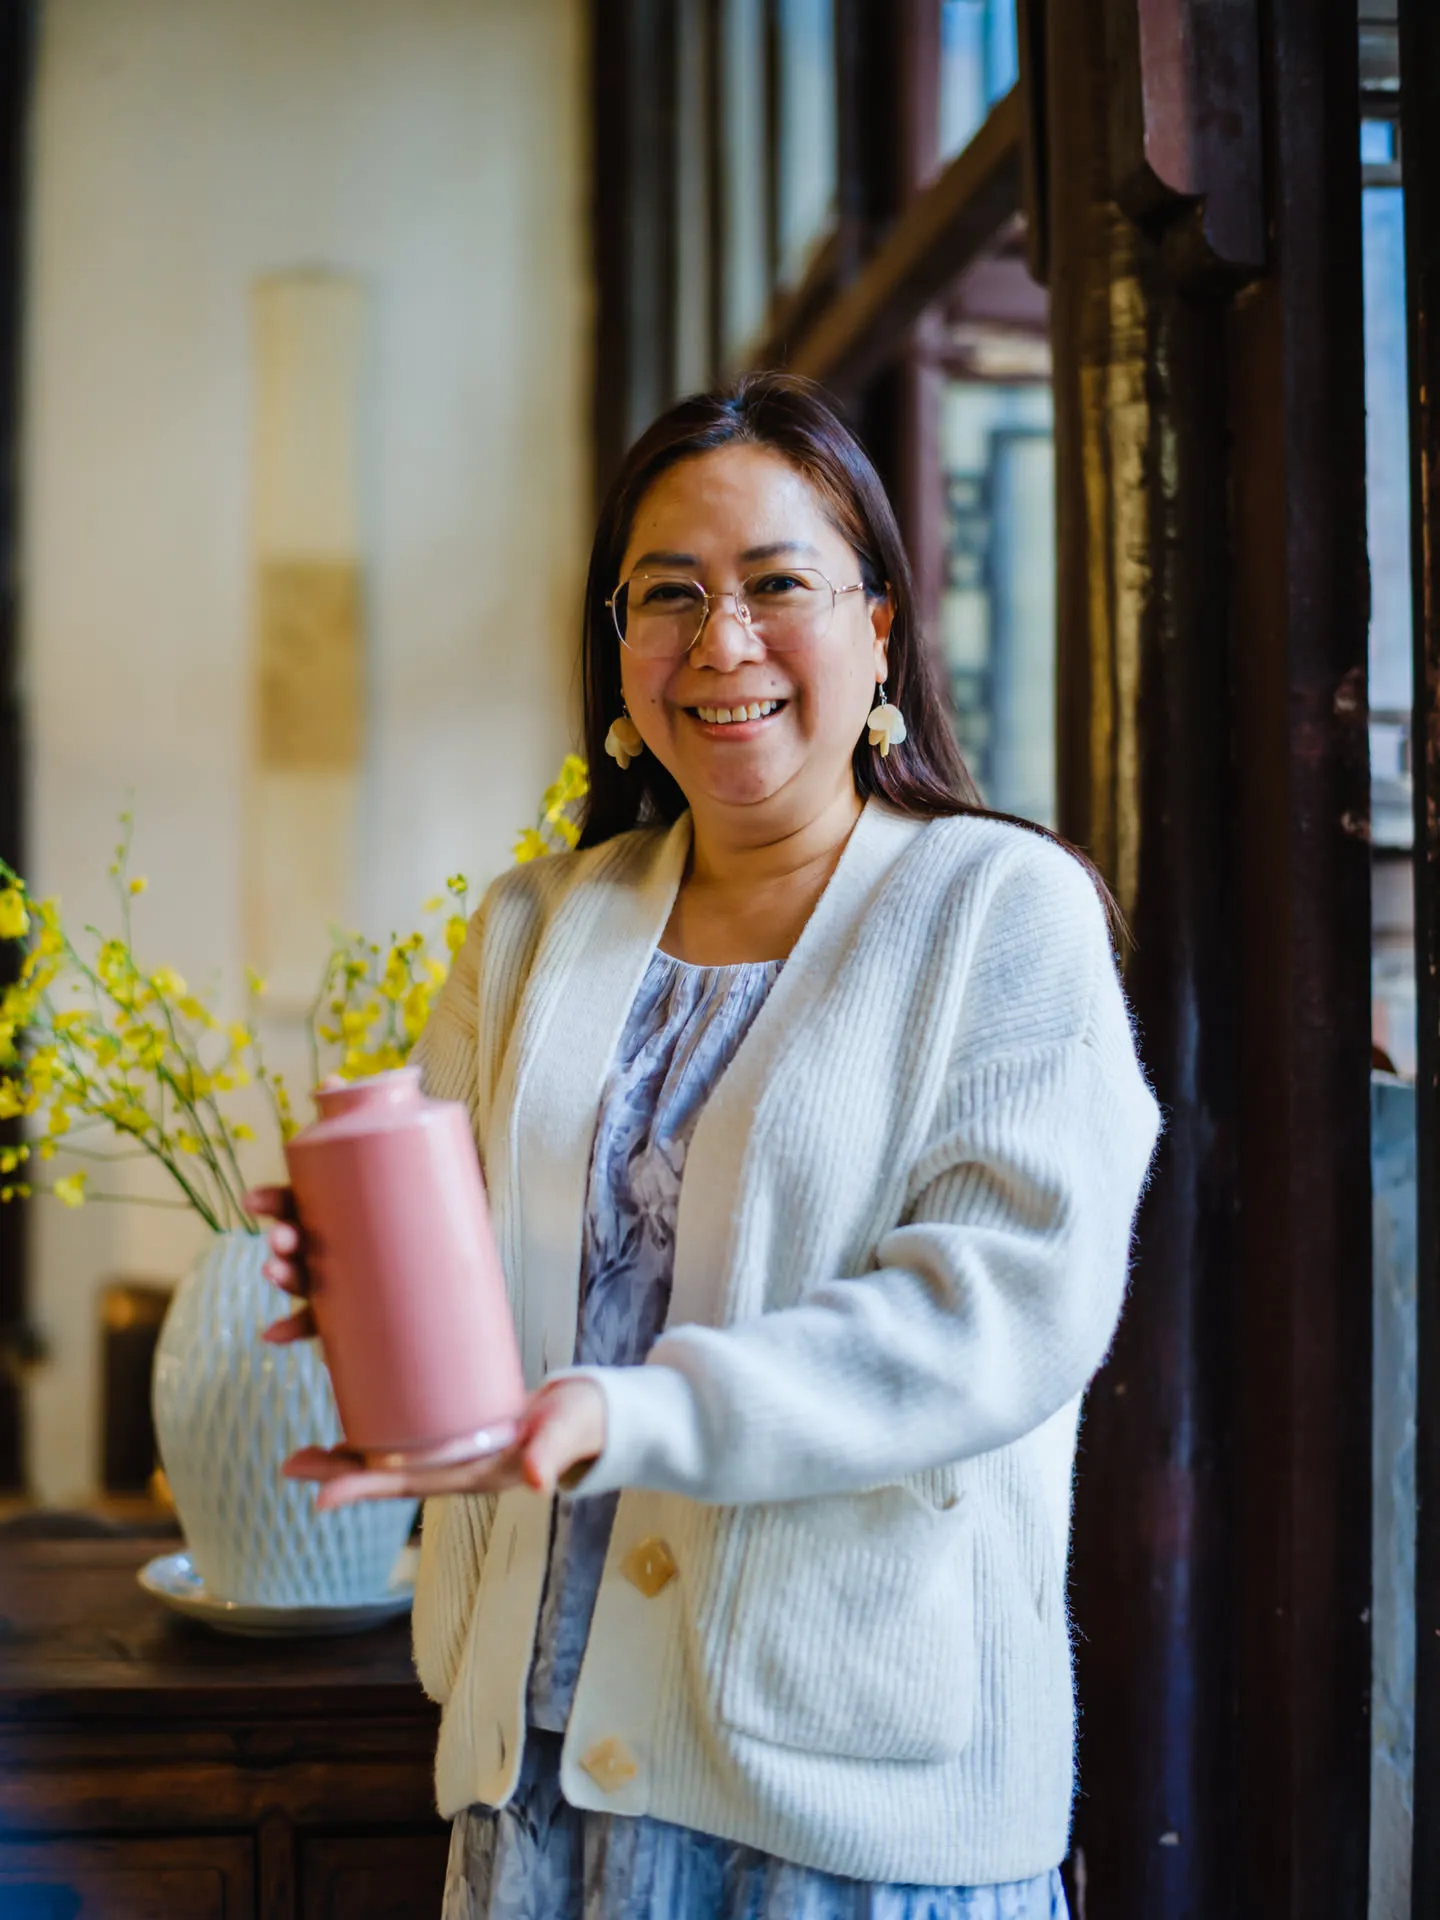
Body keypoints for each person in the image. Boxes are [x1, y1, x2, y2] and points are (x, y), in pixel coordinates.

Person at [252, 372, 1160, 1919]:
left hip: (841, 1804)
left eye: (776, 585)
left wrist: (632, 1409)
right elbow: (477, 1285)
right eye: (667, 594)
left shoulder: (1002, 912)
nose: (720, 642)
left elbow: (996, 1320)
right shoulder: (535, 924)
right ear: (620, 648)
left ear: (880, 621)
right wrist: (361, 1289)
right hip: (535, 1774)